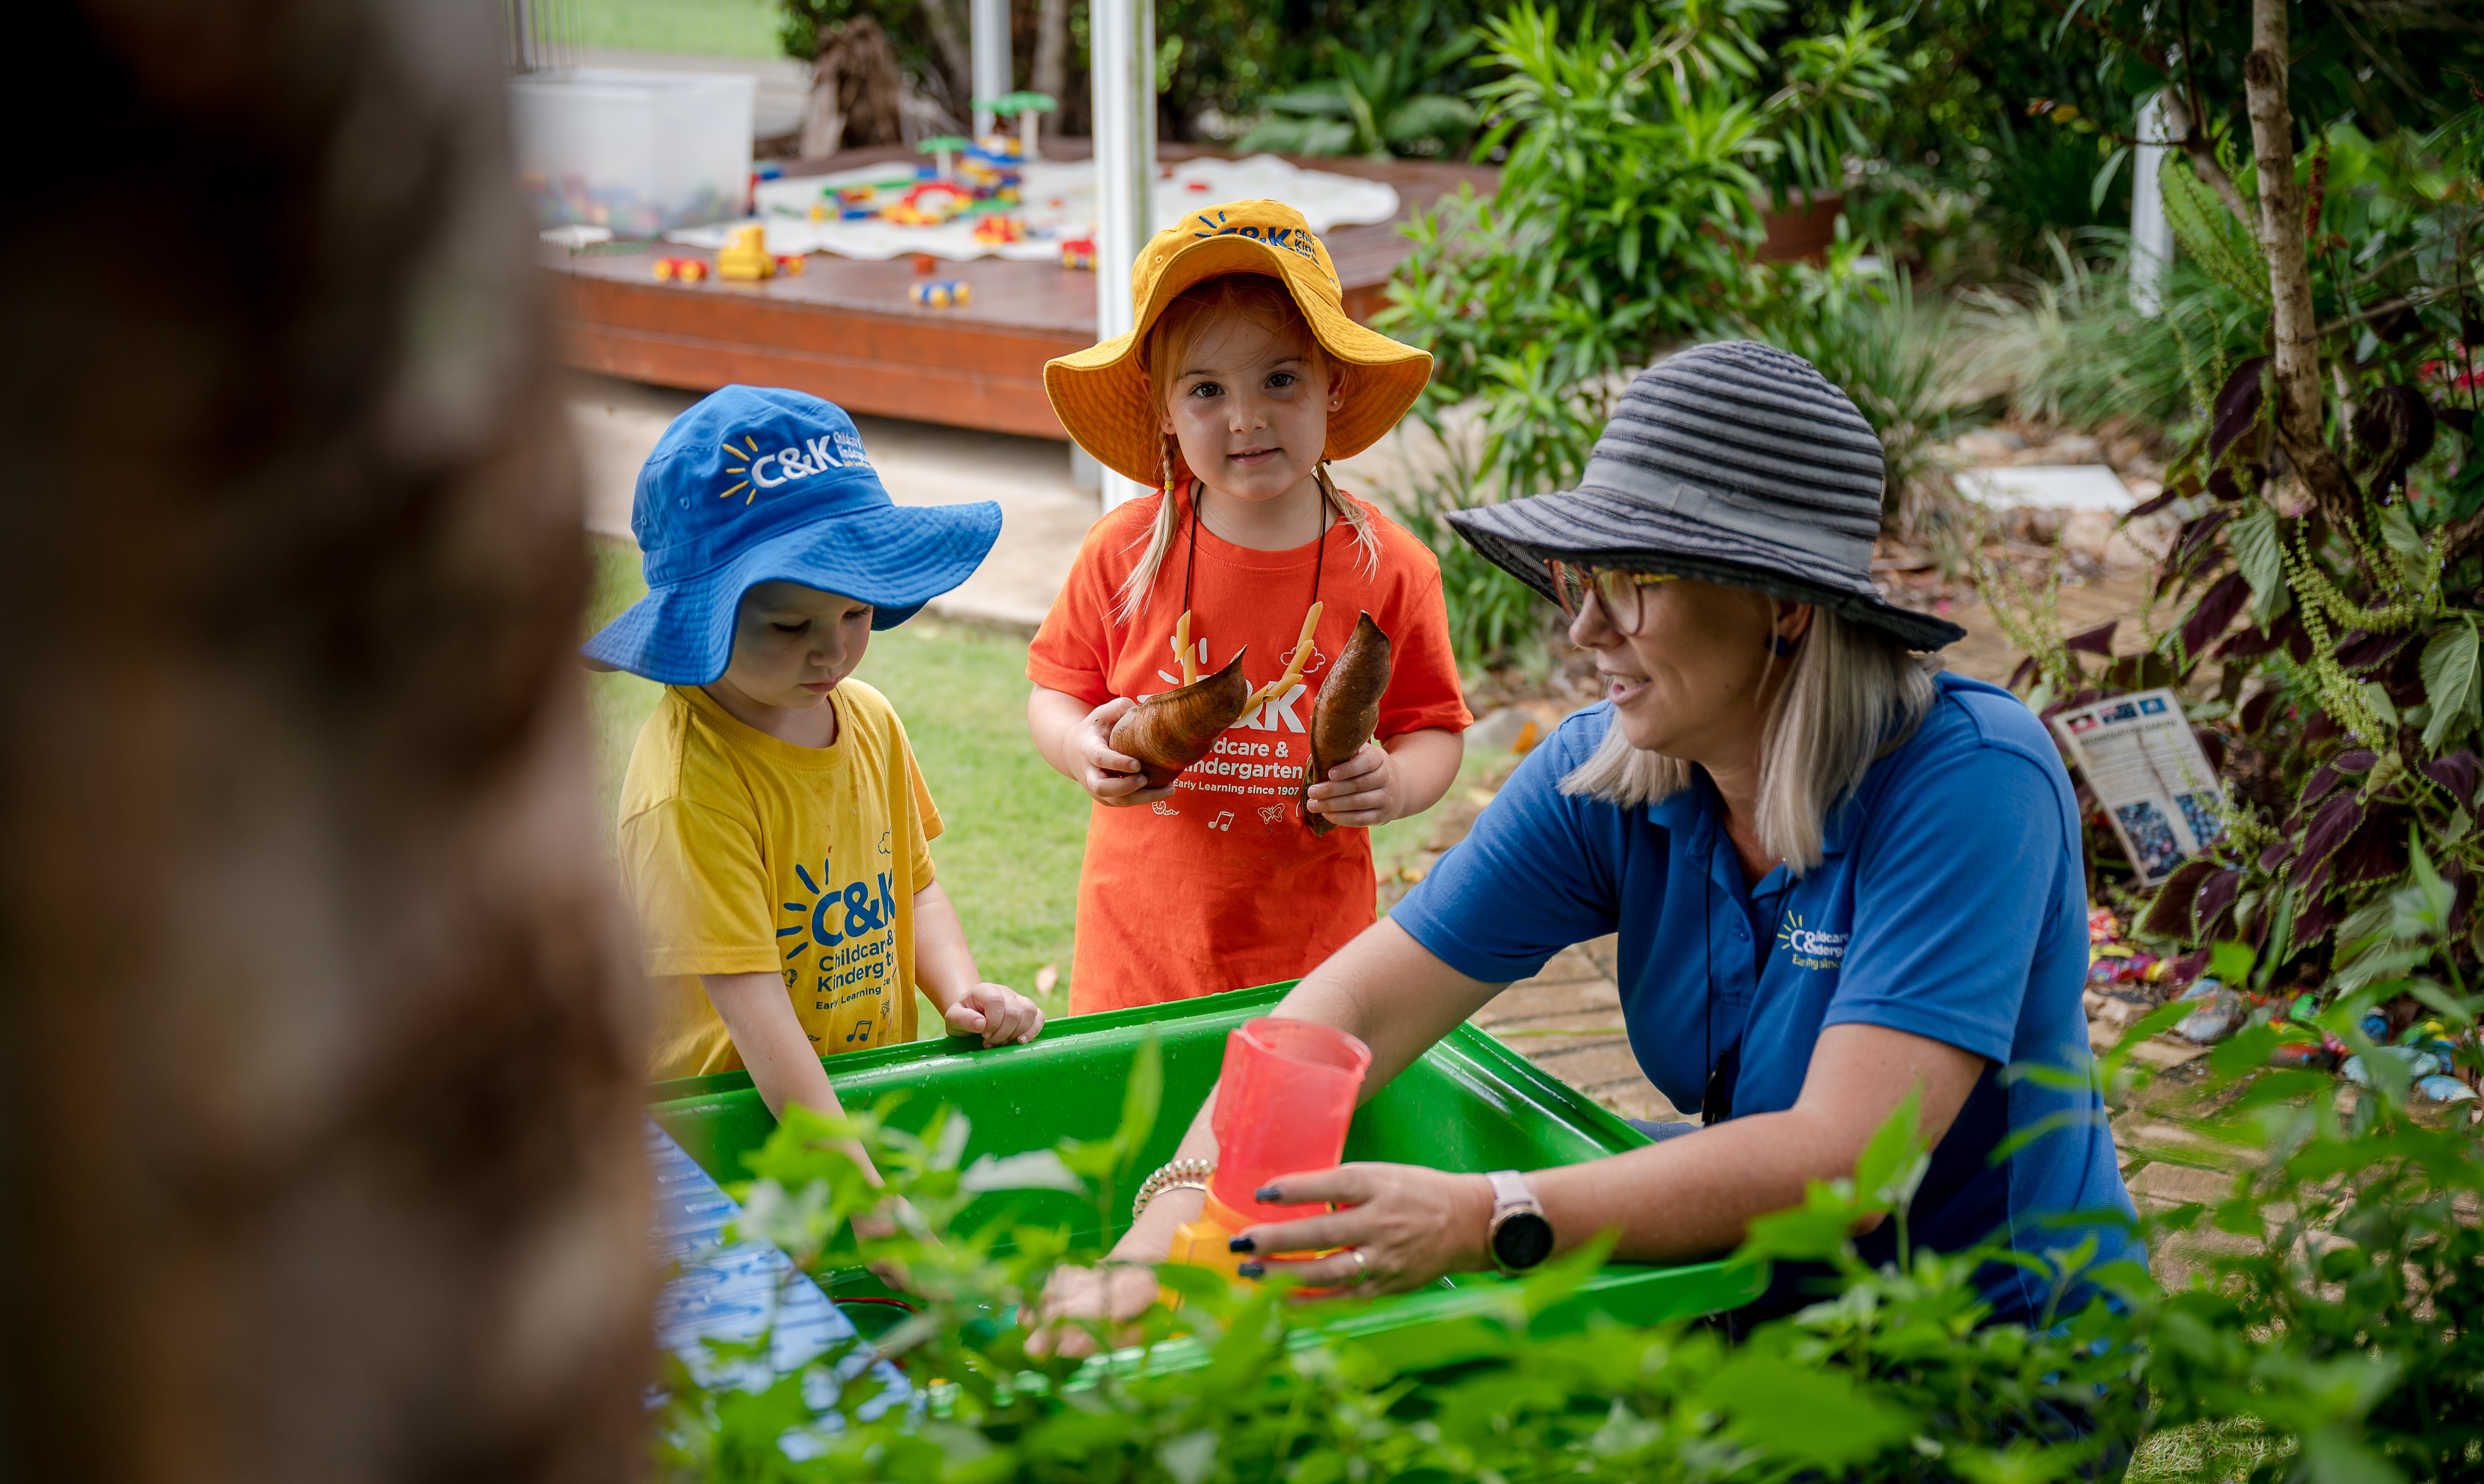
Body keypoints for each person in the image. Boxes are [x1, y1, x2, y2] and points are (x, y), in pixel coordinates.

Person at [1035, 341, 2144, 1347]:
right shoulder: (1609, 772)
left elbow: (1850, 1160)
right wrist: (1165, 1235)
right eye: (1583, 581)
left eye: (1636, 584)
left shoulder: (1971, 781)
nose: (1584, 629)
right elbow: (1345, 1011)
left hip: (1989, 1365)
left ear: (1787, 609)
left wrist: (1493, 1214)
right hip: (1745, 1320)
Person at [587, 385, 1043, 1208]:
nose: (832, 650)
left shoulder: (869, 720)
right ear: (700, 622)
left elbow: (915, 885)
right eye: (789, 627)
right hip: (730, 1142)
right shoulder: (690, 786)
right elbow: (753, 1009)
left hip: (858, 1100)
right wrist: (865, 1201)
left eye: (857, 611)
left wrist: (960, 989)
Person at [1026, 201, 1473, 1014]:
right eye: (1206, 389)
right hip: (1140, 962)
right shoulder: (1123, 553)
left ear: (1332, 385)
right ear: (1162, 409)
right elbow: (1057, 691)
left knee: (1296, 1140)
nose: (1247, 417)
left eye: (1280, 378)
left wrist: (1398, 784)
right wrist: (1076, 747)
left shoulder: (1394, 568)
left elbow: (1434, 726)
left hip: (1316, 968)